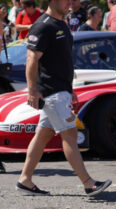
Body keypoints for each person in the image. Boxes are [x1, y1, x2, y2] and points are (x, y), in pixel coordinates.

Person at [18, 0, 111, 196]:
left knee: (42, 135)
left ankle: (25, 179)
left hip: (61, 91)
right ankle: (88, 183)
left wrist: (69, 88)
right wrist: (32, 90)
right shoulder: (43, 25)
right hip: (52, 93)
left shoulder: (62, 24)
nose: (70, 2)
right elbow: (31, 58)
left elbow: (61, 61)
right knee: (69, 135)